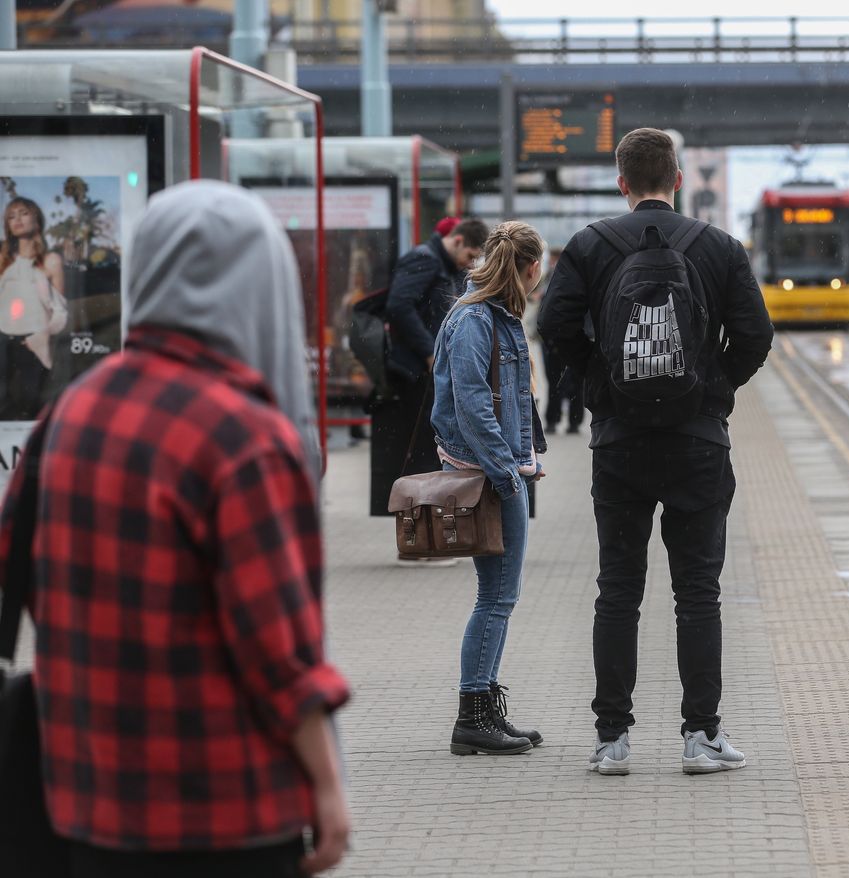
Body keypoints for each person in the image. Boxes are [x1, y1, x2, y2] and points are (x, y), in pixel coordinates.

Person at [0, 180, 349, 876]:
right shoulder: (246, 436)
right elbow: (277, 649)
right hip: (223, 811)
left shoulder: (68, 413)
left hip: (86, 804)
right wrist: (329, 783)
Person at [538, 128, 774, 775]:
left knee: (618, 589)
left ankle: (611, 740)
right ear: (676, 178)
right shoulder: (719, 248)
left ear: (622, 182)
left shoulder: (590, 245)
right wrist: (713, 388)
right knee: (698, 592)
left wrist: (599, 387)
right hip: (698, 443)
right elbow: (755, 334)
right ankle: (701, 738)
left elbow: (553, 326)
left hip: (620, 445)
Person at [433, 221, 548, 756]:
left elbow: (508, 402)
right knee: (497, 596)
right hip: (490, 478)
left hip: (501, 470)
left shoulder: (489, 318)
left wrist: (526, 458)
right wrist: (507, 473)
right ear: (528, 269)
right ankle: (472, 716)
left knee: (498, 595)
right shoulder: (477, 320)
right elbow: (472, 405)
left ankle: (482, 709)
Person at [371, 217, 487, 530]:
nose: (469, 264)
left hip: (426, 370)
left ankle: (423, 533)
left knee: (425, 453)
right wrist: (429, 351)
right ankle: (415, 533)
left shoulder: (442, 264)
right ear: (458, 240)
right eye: (469, 255)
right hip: (414, 371)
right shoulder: (424, 259)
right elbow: (399, 306)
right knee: (417, 456)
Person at [0, 196, 68, 421]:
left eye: (23, 213)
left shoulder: (50, 261)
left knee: (33, 408)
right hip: (2, 343)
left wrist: (42, 336)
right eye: (11, 216)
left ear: (36, 220)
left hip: (34, 345)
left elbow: (60, 311)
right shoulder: (3, 261)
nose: (17, 219)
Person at [539, 248, 585, 434]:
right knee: (559, 380)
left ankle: (561, 420)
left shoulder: (554, 279)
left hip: (557, 338)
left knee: (566, 380)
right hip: (568, 337)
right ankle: (566, 420)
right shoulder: (579, 278)